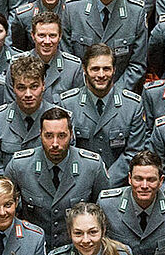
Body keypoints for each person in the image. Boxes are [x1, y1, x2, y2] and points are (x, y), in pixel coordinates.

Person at [6, 108, 111, 247]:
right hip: (32, 248)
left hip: (78, 248)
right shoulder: (20, 166)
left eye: (62, 136)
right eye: (49, 136)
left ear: (71, 135)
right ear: (40, 135)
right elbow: (5, 208)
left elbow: (103, 213)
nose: (55, 143)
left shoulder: (91, 166)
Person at [62, 0, 149, 92]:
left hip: (120, 95)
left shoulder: (135, 12)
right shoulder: (73, 9)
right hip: (80, 94)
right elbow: (68, 61)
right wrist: (87, 91)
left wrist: (114, 93)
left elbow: (137, 65)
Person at [62, 43, 148, 185]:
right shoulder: (68, 104)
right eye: (95, 69)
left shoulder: (132, 105)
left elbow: (133, 152)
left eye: (106, 69)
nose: (101, 75)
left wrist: (107, 181)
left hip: (118, 186)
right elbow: (67, 150)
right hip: (80, 183)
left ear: (114, 70)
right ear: (84, 69)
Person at [98, 150, 165, 255]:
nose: (144, 186)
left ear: (161, 181)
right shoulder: (107, 205)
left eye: (151, 180)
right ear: (129, 178)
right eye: (138, 179)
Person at [0, 54, 61, 175]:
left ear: (43, 85)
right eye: (21, 88)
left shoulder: (60, 120)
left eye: (34, 87)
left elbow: (63, 165)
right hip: (9, 185)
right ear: (13, 88)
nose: (28, 94)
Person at [14, 10, 85, 97]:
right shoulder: (16, 64)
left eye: (52, 36)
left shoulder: (73, 68)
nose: (47, 41)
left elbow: (77, 103)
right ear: (33, 36)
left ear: (60, 36)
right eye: (41, 35)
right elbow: (11, 101)